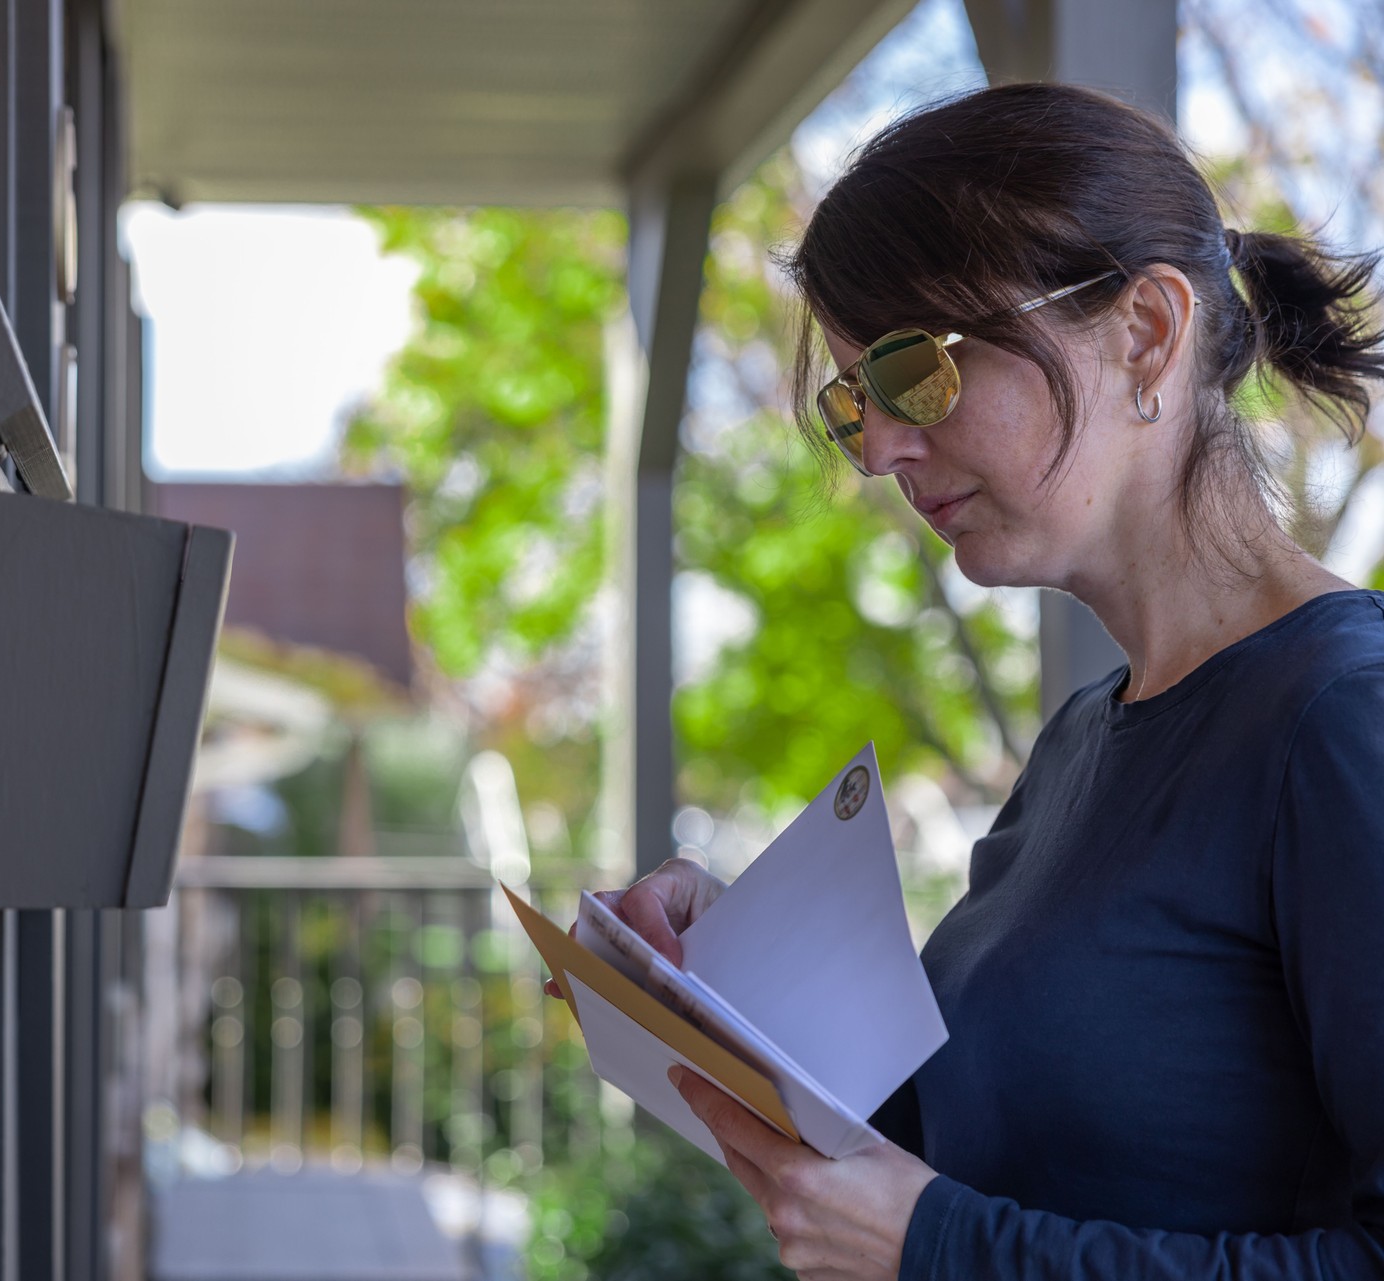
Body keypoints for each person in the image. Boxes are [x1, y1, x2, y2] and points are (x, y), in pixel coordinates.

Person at [584, 81, 1384, 1279]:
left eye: (917, 373)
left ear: (1147, 334)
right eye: (858, 403)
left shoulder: (1339, 720)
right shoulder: (1078, 746)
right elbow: (980, 1154)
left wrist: (940, 1247)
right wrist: (733, 980)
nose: (882, 451)